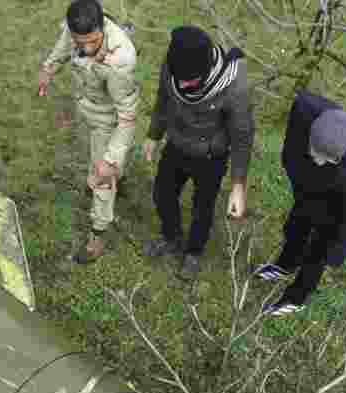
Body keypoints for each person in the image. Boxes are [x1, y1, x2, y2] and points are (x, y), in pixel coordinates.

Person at [142, 25, 254, 281]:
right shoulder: (173, 63)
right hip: (177, 144)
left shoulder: (234, 85)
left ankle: (193, 252)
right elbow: (164, 99)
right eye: (180, 79)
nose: (183, 84)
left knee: (202, 208)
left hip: (210, 157)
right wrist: (153, 135)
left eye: (190, 81)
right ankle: (171, 238)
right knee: (162, 194)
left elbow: (242, 135)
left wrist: (238, 185)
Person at [38, 0, 139, 264]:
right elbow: (63, 47)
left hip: (109, 120)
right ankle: (118, 174)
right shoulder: (76, 30)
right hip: (88, 108)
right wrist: (49, 68)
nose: (85, 49)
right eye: (79, 41)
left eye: (92, 42)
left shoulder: (120, 59)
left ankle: (97, 236)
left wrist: (110, 159)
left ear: (102, 27)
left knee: (102, 177)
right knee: (102, 165)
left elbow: (127, 116)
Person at [255, 90, 346, 316]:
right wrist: (293, 171)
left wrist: (337, 253)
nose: (318, 160)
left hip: (335, 202)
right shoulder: (305, 110)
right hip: (307, 187)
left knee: (318, 250)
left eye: (326, 159)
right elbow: (293, 142)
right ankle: (285, 265)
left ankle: (296, 297)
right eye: (315, 152)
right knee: (295, 226)